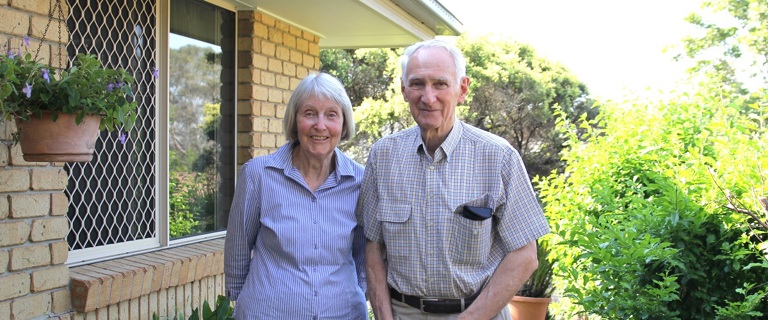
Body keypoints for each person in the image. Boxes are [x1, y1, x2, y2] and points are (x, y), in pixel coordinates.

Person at [357, 39, 550, 320]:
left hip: (478, 313)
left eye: (440, 84)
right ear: (403, 90)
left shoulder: (498, 157)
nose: (428, 96)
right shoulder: (382, 157)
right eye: (417, 83)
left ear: (462, 89)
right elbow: (372, 247)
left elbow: (525, 256)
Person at [225, 73, 367, 319]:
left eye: (331, 114)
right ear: (295, 120)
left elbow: (364, 256)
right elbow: (238, 247)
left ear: (344, 124)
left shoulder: (360, 182)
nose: (320, 125)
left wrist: (358, 295)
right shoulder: (258, 175)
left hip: (343, 313)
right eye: (309, 113)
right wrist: (241, 300)